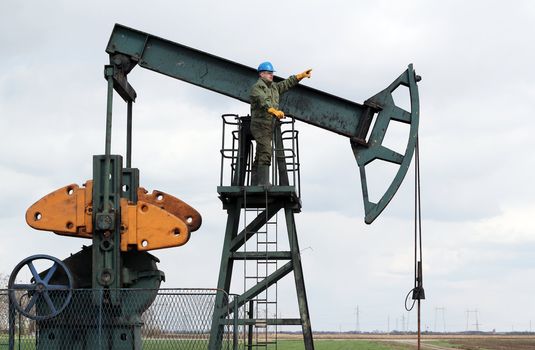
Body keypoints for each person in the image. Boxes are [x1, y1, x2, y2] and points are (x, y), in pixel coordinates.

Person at [249, 61, 312, 185]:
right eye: (268, 73)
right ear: (261, 74)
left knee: (260, 153)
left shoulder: (274, 87)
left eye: (272, 73)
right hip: (259, 125)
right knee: (266, 151)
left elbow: (286, 84)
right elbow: (262, 101)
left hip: (268, 126)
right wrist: (273, 110)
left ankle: (255, 181)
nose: (271, 75)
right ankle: (263, 183)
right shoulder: (256, 88)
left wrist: (300, 76)